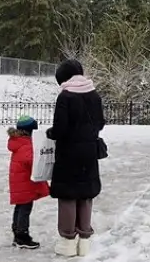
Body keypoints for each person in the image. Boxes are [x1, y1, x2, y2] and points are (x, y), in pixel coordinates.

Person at [46, 59, 105, 257]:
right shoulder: (94, 95)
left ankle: (67, 243)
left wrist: (51, 133)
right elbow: (101, 123)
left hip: (68, 153)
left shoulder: (65, 97)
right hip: (89, 153)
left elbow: (60, 129)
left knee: (68, 196)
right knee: (85, 195)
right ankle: (84, 243)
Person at [7, 115, 50, 249]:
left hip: (20, 182)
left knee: (20, 207)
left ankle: (17, 233)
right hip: (25, 183)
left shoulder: (18, 141)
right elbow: (31, 162)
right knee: (25, 208)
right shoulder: (26, 144)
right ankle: (22, 236)